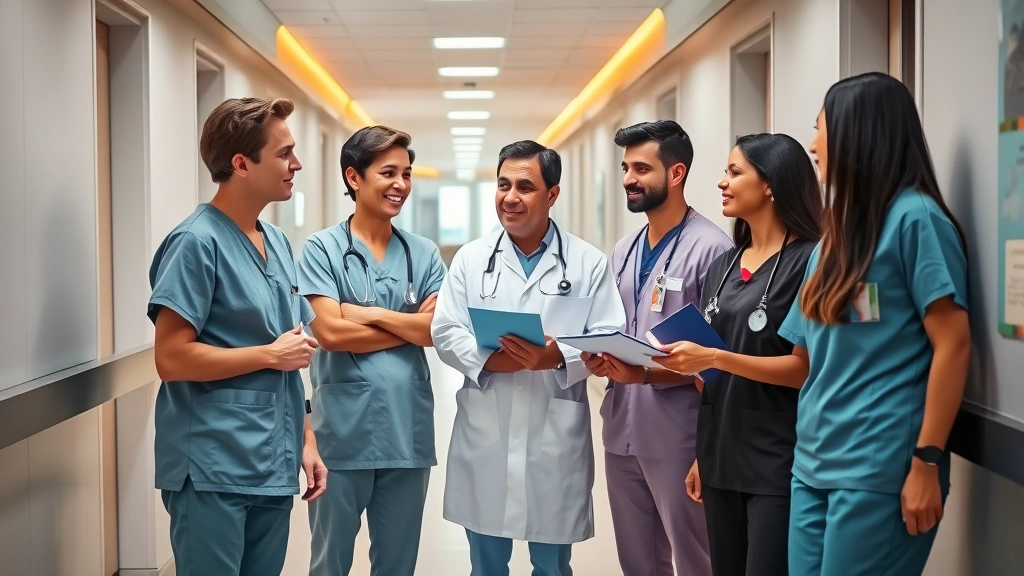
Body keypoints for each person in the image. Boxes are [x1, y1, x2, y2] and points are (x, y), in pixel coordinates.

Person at [665, 72, 971, 576]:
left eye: (820, 128)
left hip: (878, 462)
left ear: (859, 133)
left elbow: (953, 346)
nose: (812, 144)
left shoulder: (916, 220)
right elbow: (812, 358)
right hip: (811, 464)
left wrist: (927, 460)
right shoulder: (834, 243)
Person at [147, 97, 328, 576]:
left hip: (272, 460)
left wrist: (306, 440)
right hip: (212, 465)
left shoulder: (277, 243)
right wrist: (268, 355)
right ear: (242, 164)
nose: (297, 163)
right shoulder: (196, 243)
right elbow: (171, 357)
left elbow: (292, 350)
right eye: (284, 153)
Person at [430, 140, 626, 576]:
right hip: (488, 431)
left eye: (525, 186)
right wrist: (494, 362)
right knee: (486, 565)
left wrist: (558, 357)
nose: (510, 197)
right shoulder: (471, 259)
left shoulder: (586, 262)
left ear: (552, 194)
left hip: (553, 433)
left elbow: (607, 332)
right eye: (503, 184)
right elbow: (445, 330)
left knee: (553, 567)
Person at [653, 132, 823, 576]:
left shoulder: (811, 261)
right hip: (719, 455)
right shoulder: (723, 266)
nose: (721, 183)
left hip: (777, 458)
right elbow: (712, 376)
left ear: (770, 183)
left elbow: (803, 370)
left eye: (734, 172)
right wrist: (700, 455)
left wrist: (712, 358)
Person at [582, 120, 731, 576]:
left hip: (678, 435)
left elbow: (718, 363)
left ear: (676, 173)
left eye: (641, 168)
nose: (628, 178)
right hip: (621, 430)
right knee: (637, 561)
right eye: (626, 167)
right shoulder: (624, 248)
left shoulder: (712, 249)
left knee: (694, 559)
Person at [296, 125, 447, 576]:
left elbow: (437, 332)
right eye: (388, 173)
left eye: (406, 173)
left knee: (398, 566)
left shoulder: (423, 253)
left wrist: (363, 314)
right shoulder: (322, 249)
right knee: (330, 563)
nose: (401, 184)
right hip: (341, 436)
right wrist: (408, 324)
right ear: (354, 177)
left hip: (407, 434)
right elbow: (330, 335)